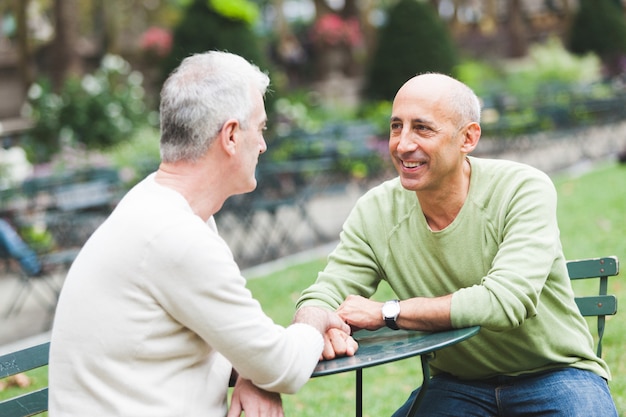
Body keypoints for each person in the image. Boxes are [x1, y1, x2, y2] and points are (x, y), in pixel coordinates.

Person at [49, 51, 352, 417]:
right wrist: (315, 318)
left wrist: (251, 373)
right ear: (231, 135)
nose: (263, 145)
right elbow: (281, 366)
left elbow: (248, 346)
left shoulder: (163, 207)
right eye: (260, 128)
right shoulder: (174, 236)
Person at [296, 73, 618, 416]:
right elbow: (324, 294)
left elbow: (505, 301)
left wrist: (387, 312)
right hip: (459, 385)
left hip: (556, 374)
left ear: (468, 137)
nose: (402, 144)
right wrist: (310, 332)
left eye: (422, 128)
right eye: (396, 126)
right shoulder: (377, 210)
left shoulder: (522, 189)